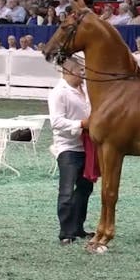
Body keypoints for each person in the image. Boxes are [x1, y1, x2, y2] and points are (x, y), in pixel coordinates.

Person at [48, 57, 94, 245]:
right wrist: (81, 124)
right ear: (68, 71)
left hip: (86, 146)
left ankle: (77, 227)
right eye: (80, 71)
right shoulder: (58, 93)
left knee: (85, 189)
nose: (83, 74)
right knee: (67, 190)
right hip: (68, 147)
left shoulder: (85, 90)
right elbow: (56, 122)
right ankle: (65, 233)